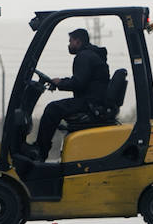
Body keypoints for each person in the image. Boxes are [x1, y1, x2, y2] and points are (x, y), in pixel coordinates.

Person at [33, 27, 112, 160]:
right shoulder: (91, 55)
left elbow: (79, 83)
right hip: (94, 102)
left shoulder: (84, 56)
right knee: (56, 109)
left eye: (70, 41)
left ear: (78, 41)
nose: (69, 45)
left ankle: (40, 151)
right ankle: (41, 149)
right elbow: (83, 81)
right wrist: (60, 83)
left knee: (52, 109)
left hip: (90, 104)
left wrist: (60, 83)